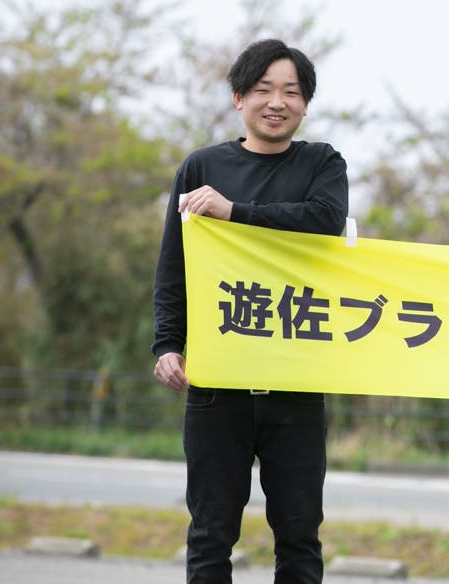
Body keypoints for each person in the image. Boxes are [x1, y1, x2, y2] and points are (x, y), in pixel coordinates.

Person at [152, 39, 349, 584]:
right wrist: (166, 344)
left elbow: (324, 223)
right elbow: (174, 265)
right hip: (218, 386)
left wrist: (233, 212)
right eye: (263, 89)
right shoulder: (202, 167)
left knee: (300, 539)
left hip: (296, 382)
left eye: (291, 91)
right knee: (210, 536)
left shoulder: (322, 163)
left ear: (305, 104)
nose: (277, 102)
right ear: (239, 97)